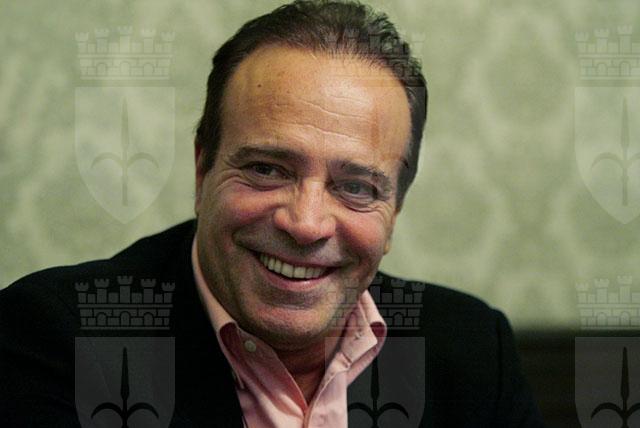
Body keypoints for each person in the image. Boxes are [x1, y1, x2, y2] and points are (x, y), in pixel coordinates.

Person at [0, 1, 544, 427]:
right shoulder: (57, 341)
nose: (305, 224)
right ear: (202, 171)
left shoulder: (473, 352)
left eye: (355, 187)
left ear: (395, 210)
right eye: (267, 169)